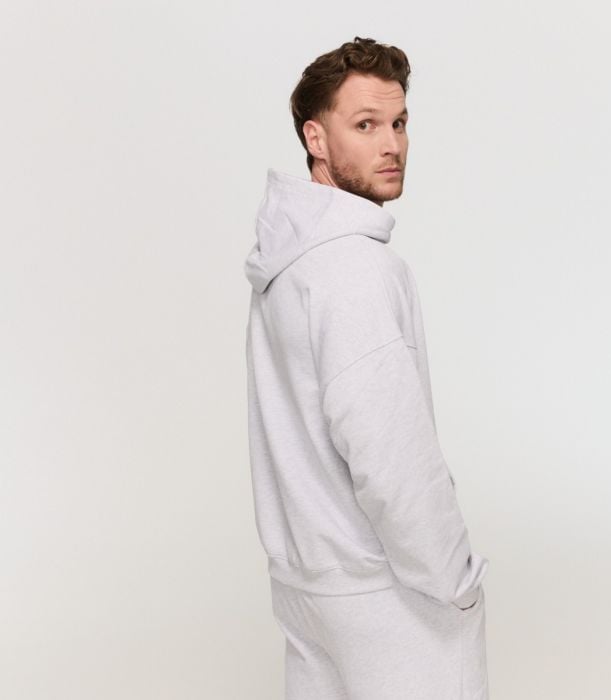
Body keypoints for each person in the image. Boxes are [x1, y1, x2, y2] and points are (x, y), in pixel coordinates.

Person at [244, 36, 490, 699]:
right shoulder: (355, 269)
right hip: (387, 601)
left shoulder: (287, 263)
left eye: (399, 123)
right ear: (315, 138)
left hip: (309, 590)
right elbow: (389, 452)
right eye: (365, 125)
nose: (392, 144)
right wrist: (455, 581)